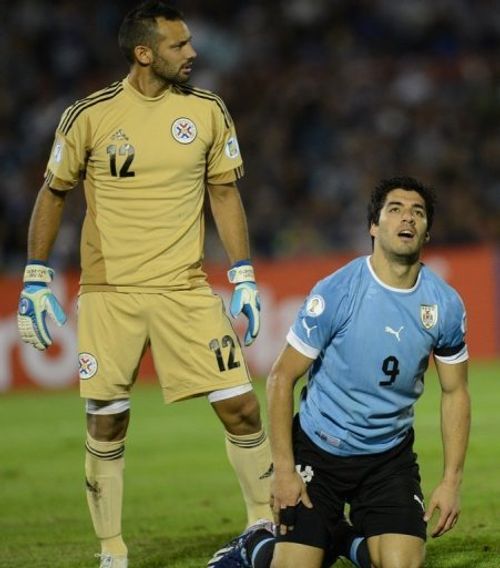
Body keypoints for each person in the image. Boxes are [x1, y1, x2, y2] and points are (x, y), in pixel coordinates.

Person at [16, 2, 273, 567]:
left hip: (184, 289)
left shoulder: (207, 111)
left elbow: (225, 194)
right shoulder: (90, 115)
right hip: (111, 293)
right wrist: (36, 277)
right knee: (106, 419)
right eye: (179, 46)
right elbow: (53, 192)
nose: (193, 54)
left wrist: (244, 274)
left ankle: (264, 525)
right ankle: (112, 552)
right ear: (144, 53)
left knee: (242, 410)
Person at [208, 176, 471, 568]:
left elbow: (455, 392)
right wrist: (283, 470)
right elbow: (281, 378)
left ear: (427, 232)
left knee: (403, 564)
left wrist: (450, 482)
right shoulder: (338, 291)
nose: (408, 218)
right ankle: (255, 544)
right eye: (395, 209)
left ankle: (340, 537)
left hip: (387, 458)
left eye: (418, 213)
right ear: (373, 225)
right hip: (319, 451)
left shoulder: (444, 304)